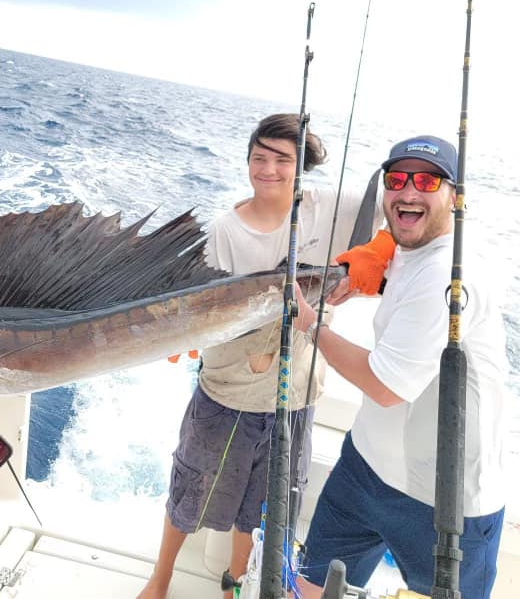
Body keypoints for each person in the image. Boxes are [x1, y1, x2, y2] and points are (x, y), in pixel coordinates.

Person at [137, 114, 384, 599]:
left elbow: (394, 214)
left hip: (295, 395)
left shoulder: (329, 206)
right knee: (190, 493)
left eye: (282, 160)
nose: (268, 169)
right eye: (259, 158)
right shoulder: (227, 229)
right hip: (229, 392)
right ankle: (160, 579)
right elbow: (206, 313)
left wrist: (364, 271)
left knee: (263, 511)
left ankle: (233, 586)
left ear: (300, 166)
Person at [293, 135, 507, 599]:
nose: (408, 192)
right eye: (397, 180)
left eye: (427, 180)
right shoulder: (415, 249)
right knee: (306, 589)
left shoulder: (451, 276)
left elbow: (386, 385)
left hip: (446, 505)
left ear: (456, 196)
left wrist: (310, 324)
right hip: (365, 468)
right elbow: (404, 255)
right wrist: (378, 260)